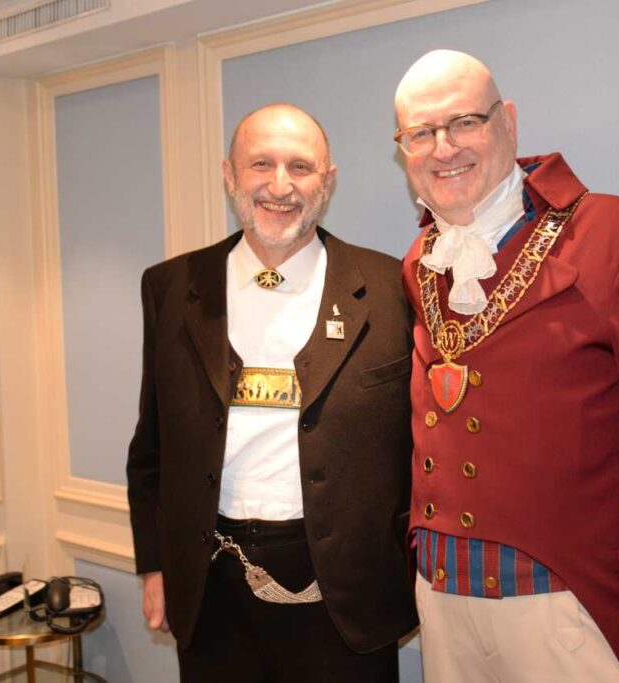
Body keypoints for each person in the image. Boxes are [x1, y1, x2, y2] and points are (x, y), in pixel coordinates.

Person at [394, 50, 619, 683]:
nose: (443, 148)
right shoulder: (421, 261)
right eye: (420, 133)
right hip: (440, 605)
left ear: (508, 122)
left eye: (464, 122)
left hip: (565, 611)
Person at [126, 103, 417, 682]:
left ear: (327, 181)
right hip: (210, 590)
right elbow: (152, 448)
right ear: (229, 174)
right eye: (261, 164)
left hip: (347, 597)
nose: (280, 186)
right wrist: (155, 567)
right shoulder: (171, 287)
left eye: (300, 167)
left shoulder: (391, 288)